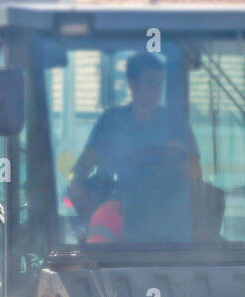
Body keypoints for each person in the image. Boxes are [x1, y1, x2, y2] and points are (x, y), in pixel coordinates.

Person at [68, 52, 200, 243]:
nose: (157, 89)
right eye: (151, 82)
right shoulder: (111, 122)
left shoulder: (175, 124)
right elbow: (80, 170)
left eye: (160, 82)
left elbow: (193, 172)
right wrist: (78, 190)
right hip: (122, 220)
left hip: (170, 222)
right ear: (132, 84)